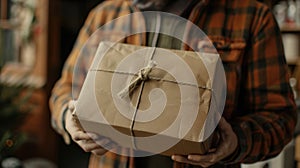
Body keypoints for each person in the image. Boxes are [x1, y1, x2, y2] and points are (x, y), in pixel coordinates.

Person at [49, 0, 297, 167]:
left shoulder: (251, 16)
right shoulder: (105, 15)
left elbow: (281, 118)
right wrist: (68, 118)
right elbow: (63, 91)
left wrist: (236, 142)